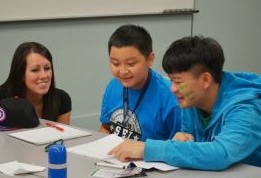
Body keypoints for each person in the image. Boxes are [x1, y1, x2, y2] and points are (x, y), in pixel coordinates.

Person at [108, 35, 261, 170]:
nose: (173, 89)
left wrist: (147, 149)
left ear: (205, 80)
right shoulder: (191, 101)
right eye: (171, 80)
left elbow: (221, 154)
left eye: (178, 82)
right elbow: (190, 145)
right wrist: (180, 142)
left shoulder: (246, 108)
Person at [99, 24, 181, 141]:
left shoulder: (171, 97)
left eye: (131, 63)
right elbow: (106, 127)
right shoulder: (113, 86)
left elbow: (181, 146)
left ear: (150, 59)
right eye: (116, 63)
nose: (123, 71)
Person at [0, 42, 71, 124]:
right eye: (35, 70)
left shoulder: (62, 99)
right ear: (21, 74)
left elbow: (64, 135)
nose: (44, 75)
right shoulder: (0, 98)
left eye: (47, 68)